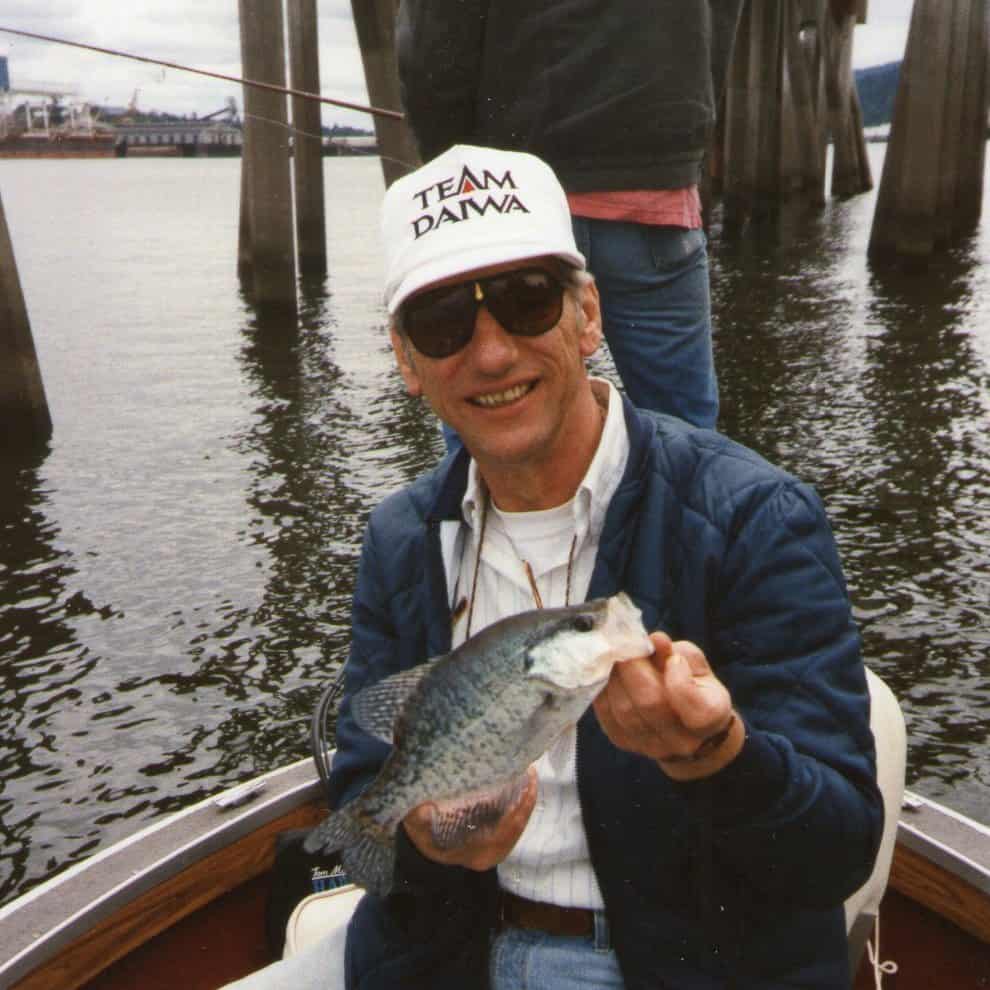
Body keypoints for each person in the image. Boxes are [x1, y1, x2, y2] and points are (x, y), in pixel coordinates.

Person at [226, 145, 882, 990]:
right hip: (445, 956)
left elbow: (834, 852)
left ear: (589, 315)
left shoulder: (755, 519)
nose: (491, 353)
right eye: (443, 325)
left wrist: (717, 754)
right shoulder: (399, 537)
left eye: (527, 301)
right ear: (406, 361)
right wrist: (429, 843)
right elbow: (366, 769)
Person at [394, 0, 746, 430]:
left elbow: (433, 47)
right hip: (655, 196)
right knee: (685, 430)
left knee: (487, 422)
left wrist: (457, 166)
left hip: (508, 204)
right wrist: (683, 132)